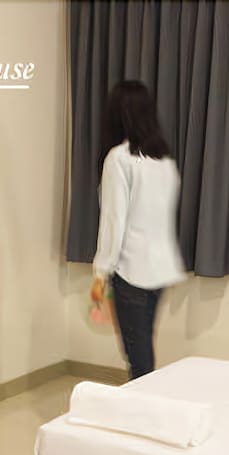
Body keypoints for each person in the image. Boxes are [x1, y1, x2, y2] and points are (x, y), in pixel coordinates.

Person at [90, 80, 185, 380]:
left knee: (139, 361)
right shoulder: (164, 161)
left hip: (132, 271)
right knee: (143, 353)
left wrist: (100, 273)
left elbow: (114, 220)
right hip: (161, 269)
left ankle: (144, 406)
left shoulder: (119, 159)